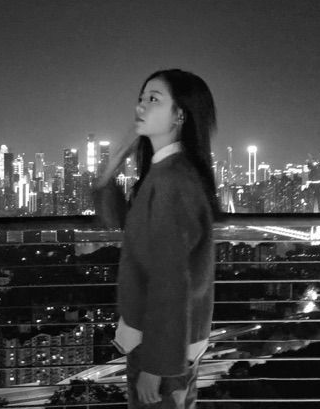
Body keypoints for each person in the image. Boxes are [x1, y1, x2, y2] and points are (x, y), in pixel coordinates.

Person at [93, 68, 219, 408]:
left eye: (154, 99)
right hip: (158, 341)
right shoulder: (162, 172)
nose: (140, 106)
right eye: (141, 98)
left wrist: (156, 367)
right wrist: (112, 166)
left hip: (161, 349)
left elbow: (171, 280)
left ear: (180, 115)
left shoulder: (173, 181)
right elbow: (124, 223)